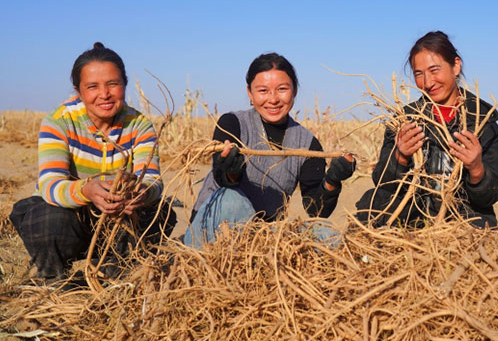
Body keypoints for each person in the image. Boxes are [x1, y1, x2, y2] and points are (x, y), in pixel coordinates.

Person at [10, 42, 174, 283]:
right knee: (46, 219)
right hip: (71, 215)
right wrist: (87, 190)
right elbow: (50, 184)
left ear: (125, 84)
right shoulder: (59, 122)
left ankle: (115, 272)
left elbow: (153, 180)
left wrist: (140, 193)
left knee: (160, 214)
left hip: (118, 217)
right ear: (78, 91)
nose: (104, 94)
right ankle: (54, 278)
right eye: (92, 87)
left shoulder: (140, 126)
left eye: (113, 84)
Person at [184, 53, 356, 248]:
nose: (273, 99)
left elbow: (316, 211)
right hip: (213, 231)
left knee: (327, 234)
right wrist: (230, 170)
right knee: (231, 199)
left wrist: (333, 179)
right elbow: (223, 178)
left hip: (263, 237)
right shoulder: (232, 124)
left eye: (282, 89)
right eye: (263, 90)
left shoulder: (308, 144)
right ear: (250, 93)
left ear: (294, 91)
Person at [355, 31, 498, 228]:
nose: (427, 82)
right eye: (419, 74)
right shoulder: (405, 120)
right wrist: (400, 157)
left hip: (463, 224)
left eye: (434, 70)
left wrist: (476, 169)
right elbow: (382, 184)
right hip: (412, 221)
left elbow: (490, 196)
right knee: (370, 206)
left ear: (456, 66)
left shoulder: (482, 122)